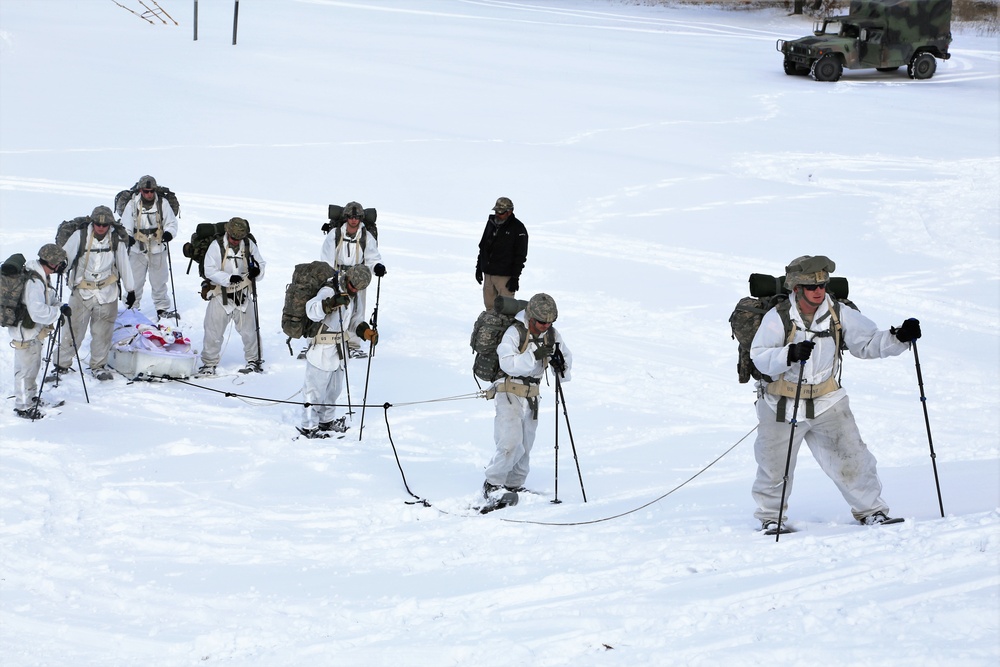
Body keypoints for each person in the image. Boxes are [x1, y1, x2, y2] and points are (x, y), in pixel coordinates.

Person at [749, 255, 922, 532]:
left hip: (828, 400)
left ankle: (872, 511)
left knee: (853, 458)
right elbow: (758, 356)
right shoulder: (777, 317)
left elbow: (867, 343)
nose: (819, 291)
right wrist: (789, 354)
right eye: (811, 286)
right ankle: (771, 519)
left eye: (822, 285)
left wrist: (899, 336)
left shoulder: (838, 312)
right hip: (781, 403)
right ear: (797, 289)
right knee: (773, 466)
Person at [482, 292, 572, 501]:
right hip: (509, 390)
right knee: (510, 441)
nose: (545, 326)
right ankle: (492, 484)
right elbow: (507, 363)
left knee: (526, 444)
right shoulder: (514, 332)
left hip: (532, 394)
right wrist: (534, 355)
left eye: (550, 322)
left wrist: (560, 365)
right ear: (531, 317)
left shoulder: (552, 334)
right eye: (541, 322)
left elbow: (565, 359)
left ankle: (514, 485)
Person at [53, 206, 136, 382]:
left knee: (103, 333)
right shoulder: (80, 236)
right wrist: (61, 265)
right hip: (82, 291)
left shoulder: (116, 239)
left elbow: (124, 264)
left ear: (110, 225)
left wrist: (130, 290)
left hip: (107, 292)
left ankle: (98, 366)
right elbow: (66, 257)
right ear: (93, 222)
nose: (101, 227)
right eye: (98, 224)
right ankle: (61, 364)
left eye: (104, 225)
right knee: (73, 330)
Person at [298, 264, 377, 439]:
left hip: (340, 350)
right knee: (314, 392)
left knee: (333, 390)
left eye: (358, 288)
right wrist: (330, 304)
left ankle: (326, 421)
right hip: (321, 349)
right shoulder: (329, 290)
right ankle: (308, 427)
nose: (355, 290)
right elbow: (311, 311)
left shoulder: (354, 295)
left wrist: (365, 332)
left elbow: (355, 320)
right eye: (353, 286)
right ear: (347, 278)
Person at [196, 217, 266, 376]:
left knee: (250, 331)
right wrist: (227, 279)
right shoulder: (216, 246)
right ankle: (209, 364)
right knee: (212, 331)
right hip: (221, 295)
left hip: (243, 294)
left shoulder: (248, 244)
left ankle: (254, 360)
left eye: (239, 238)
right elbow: (209, 270)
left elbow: (260, 264)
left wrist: (257, 271)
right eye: (233, 238)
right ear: (228, 232)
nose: (236, 241)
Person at [8, 244, 70, 419]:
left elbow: (48, 298)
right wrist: (57, 313)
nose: (60, 266)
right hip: (24, 333)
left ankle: (31, 396)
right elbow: (37, 312)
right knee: (24, 371)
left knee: (33, 366)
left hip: (31, 332)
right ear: (52, 263)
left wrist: (60, 306)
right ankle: (22, 406)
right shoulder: (34, 282)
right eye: (59, 262)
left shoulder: (41, 276)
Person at [320, 201, 385, 358]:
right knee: (332, 306)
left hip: (358, 276)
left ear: (361, 218)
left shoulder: (365, 236)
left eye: (357, 217)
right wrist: (329, 277)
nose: (354, 220)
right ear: (346, 217)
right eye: (350, 217)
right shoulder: (334, 234)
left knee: (358, 310)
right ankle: (323, 340)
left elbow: (372, 256)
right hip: (337, 275)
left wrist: (377, 267)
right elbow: (326, 258)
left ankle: (354, 344)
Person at [119, 175, 180, 320]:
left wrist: (169, 234)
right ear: (140, 190)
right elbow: (125, 225)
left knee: (159, 280)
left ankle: (162, 309)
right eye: (146, 191)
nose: (149, 194)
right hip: (137, 248)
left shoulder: (162, 203)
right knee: (134, 280)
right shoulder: (132, 204)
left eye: (151, 191)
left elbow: (171, 223)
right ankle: (130, 308)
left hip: (157, 246)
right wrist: (129, 238)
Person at [475, 197, 528, 311]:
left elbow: (520, 256)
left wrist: (515, 277)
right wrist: (479, 268)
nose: (497, 214)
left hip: (505, 277)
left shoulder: (518, 228)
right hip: (488, 275)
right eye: (496, 211)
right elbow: (483, 246)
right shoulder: (491, 223)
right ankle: (489, 328)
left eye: (501, 212)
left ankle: (506, 329)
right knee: (489, 307)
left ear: (509, 212)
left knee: (505, 310)